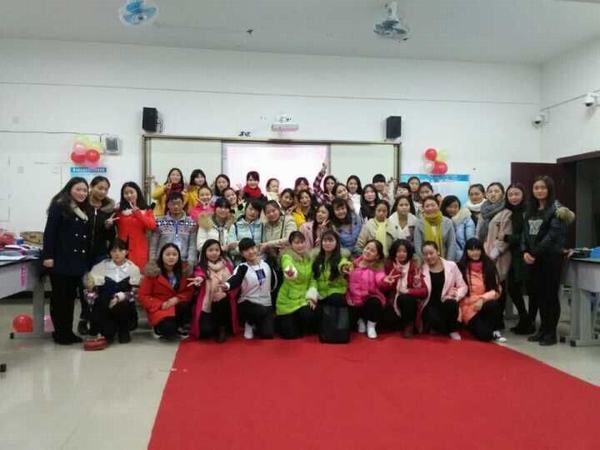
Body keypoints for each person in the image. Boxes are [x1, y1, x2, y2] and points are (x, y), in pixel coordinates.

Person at [523, 176, 574, 346]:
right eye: (536, 187)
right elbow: (525, 233)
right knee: (539, 296)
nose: (539, 191)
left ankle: (551, 333)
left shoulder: (558, 210)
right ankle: (542, 330)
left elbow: (551, 237)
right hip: (534, 258)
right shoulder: (531, 209)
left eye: (543, 187)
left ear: (550, 189)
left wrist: (534, 253)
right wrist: (525, 251)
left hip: (550, 258)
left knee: (550, 296)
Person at [42, 177, 90, 345]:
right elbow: (50, 232)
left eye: (85, 190)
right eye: (78, 189)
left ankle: (67, 332)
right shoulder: (59, 206)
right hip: (61, 260)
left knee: (70, 299)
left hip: (76, 262)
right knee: (60, 299)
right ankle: (60, 333)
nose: (82, 193)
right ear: (69, 189)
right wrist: (48, 256)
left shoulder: (81, 209)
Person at [84, 239, 141, 344]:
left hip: (124, 308)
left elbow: (136, 293)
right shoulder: (99, 267)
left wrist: (120, 297)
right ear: (109, 253)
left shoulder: (133, 269)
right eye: (114, 251)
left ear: (126, 252)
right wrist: (94, 299)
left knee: (122, 304)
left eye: (120, 250)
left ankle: (124, 330)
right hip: (105, 307)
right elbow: (89, 290)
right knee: (108, 334)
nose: (117, 253)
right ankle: (107, 329)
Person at [221, 238, 278, 340]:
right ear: (242, 254)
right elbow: (235, 278)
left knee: (267, 334)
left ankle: (257, 324)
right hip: (247, 303)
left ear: (257, 248)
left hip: (266, 303)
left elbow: (274, 283)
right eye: (246, 250)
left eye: (252, 248)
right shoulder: (242, 267)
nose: (251, 252)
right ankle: (249, 322)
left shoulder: (266, 264)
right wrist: (227, 285)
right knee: (259, 310)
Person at [81, 175, 116, 335]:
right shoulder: (81, 205)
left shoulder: (108, 209)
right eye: (100, 188)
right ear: (91, 186)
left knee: (99, 286)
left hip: (100, 254)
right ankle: (84, 318)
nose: (102, 192)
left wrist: (109, 227)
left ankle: (97, 318)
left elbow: (111, 237)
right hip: (82, 253)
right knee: (84, 287)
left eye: (106, 189)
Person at [139, 243, 194, 340]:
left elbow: (189, 291)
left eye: (174, 254)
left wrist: (177, 298)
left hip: (177, 306)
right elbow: (143, 296)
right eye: (168, 254)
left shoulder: (185, 270)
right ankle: (159, 327)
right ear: (161, 255)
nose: (171, 257)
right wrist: (161, 304)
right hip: (160, 309)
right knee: (168, 330)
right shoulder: (152, 272)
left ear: (179, 256)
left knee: (185, 305)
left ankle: (180, 325)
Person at [188, 239, 238, 343]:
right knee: (205, 332)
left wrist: (225, 293)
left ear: (220, 251)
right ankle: (214, 325)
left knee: (220, 299)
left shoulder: (228, 265)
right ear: (205, 252)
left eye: (217, 250)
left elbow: (235, 284)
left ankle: (222, 328)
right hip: (208, 303)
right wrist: (199, 279)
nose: (214, 253)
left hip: (224, 301)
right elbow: (199, 275)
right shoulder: (201, 266)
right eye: (210, 250)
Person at [458, 238, 506, 342]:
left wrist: (482, 299)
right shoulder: (460, 267)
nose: (475, 253)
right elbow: (459, 293)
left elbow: (497, 290)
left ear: (481, 250)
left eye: (477, 249)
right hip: (468, 307)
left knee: (493, 304)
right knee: (485, 336)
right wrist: (475, 302)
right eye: (471, 250)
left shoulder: (489, 265)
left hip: (484, 304)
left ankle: (494, 328)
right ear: (466, 251)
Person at [478, 183, 512, 329]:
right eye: (490, 191)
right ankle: (488, 317)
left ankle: (499, 320)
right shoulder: (483, 211)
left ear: (502, 194)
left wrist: (493, 254)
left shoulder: (506, 212)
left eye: (496, 191)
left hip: (498, 255)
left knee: (499, 288)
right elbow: (478, 233)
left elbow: (505, 236)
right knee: (487, 287)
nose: (493, 194)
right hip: (483, 254)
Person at [419, 241, 468, 340]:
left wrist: (455, 295)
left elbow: (463, 286)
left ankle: (452, 330)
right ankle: (441, 327)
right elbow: (419, 289)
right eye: (425, 254)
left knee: (451, 303)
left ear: (438, 252)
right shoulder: (421, 268)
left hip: (446, 302)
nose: (428, 256)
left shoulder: (451, 265)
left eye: (431, 253)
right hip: (429, 305)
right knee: (434, 319)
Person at [503, 183, 535, 334]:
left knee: (531, 289)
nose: (513, 197)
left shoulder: (528, 211)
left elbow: (526, 236)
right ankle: (524, 317)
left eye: (517, 194)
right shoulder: (508, 212)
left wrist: (507, 237)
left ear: (523, 195)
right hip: (513, 256)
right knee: (513, 288)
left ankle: (529, 321)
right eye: (510, 195)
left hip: (527, 254)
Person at [383, 239, 427, 338]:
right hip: (392, 300)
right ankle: (400, 323)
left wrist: (409, 290)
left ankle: (408, 325)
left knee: (406, 298)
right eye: (398, 251)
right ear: (394, 252)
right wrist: (395, 275)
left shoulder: (415, 266)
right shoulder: (388, 265)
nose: (401, 254)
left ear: (409, 253)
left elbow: (424, 292)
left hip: (409, 302)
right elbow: (383, 288)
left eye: (404, 251)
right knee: (384, 323)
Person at [276, 232, 317, 339]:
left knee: (309, 316)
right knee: (290, 335)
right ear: (291, 245)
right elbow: (287, 265)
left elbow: (313, 279)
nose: (300, 245)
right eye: (296, 243)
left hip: (303, 298)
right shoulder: (287, 256)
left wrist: (312, 296)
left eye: (302, 242)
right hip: (287, 300)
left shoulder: (310, 258)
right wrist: (290, 271)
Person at [346, 240, 387, 339]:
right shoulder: (352, 264)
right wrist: (347, 297)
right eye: (367, 248)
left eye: (372, 251)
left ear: (377, 256)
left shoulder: (377, 268)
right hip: (354, 300)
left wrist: (384, 280)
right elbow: (346, 283)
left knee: (374, 302)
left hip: (369, 298)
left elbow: (380, 278)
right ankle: (360, 320)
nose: (368, 251)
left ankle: (371, 326)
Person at [150, 192, 198, 268]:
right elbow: (153, 244)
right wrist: (152, 261)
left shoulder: (191, 223)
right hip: (162, 263)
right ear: (168, 205)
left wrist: (190, 264)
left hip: (183, 262)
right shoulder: (159, 222)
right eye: (172, 204)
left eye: (178, 203)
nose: (176, 206)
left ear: (183, 204)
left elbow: (192, 246)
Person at [115, 181, 157, 269]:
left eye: (131, 192)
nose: (129, 195)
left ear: (137, 192)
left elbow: (152, 226)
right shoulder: (119, 210)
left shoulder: (147, 210)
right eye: (126, 193)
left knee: (138, 273)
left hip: (139, 249)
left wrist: (138, 213)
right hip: (122, 249)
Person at [414, 196, 458, 262]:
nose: (430, 208)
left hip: (445, 260)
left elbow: (451, 244)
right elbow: (418, 246)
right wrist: (425, 262)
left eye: (433, 205)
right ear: (423, 208)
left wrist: (448, 263)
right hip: (426, 261)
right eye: (427, 206)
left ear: (438, 206)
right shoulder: (419, 224)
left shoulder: (448, 222)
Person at [440, 195, 475, 261]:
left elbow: (470, 239)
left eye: (455, 207)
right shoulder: (440, 221)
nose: (453, 209)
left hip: (463, 257)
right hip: (445, 257)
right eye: (450, 207)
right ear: (444, 207)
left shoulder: (465, 219)